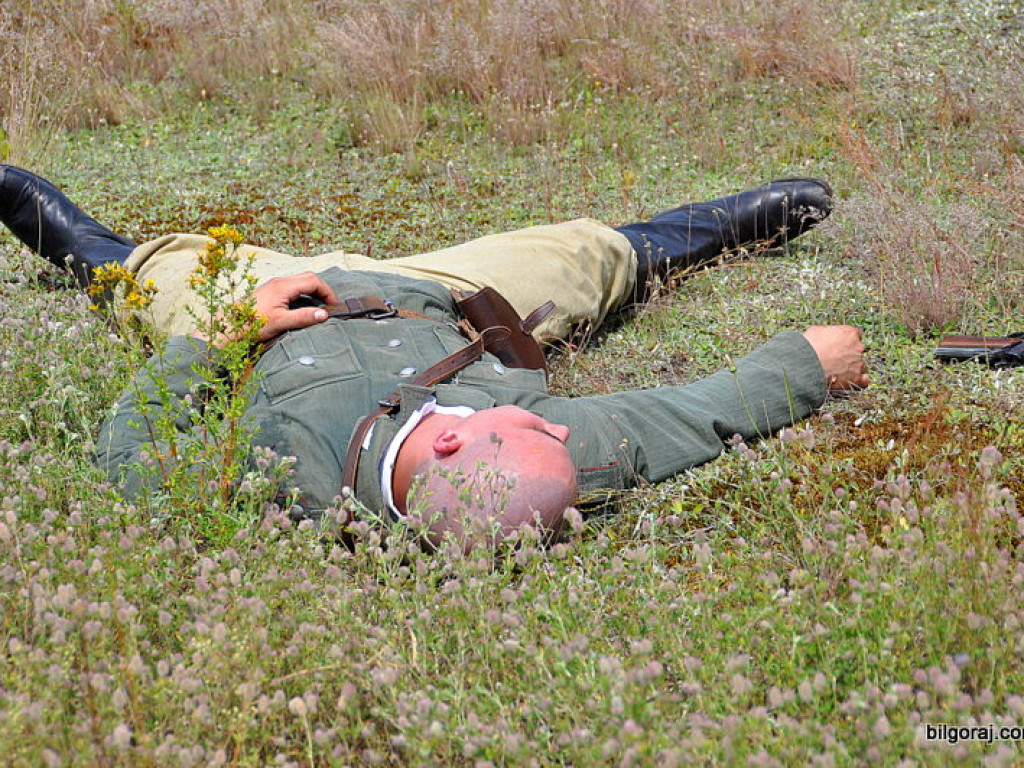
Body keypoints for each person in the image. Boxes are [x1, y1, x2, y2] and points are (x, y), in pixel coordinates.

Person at [0, 165, 867, 549]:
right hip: (446, 293)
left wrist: (232, 333)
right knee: (584, 255)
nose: (550, 418)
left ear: (451, 444)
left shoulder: (278, 493)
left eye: (527, 423)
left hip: (273, 303)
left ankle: (73, 234)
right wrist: (806, 365)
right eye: (545, 424)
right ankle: (714, 231)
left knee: (151, 280)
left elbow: (131, 452)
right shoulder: (544, 457)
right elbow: (682, 415)